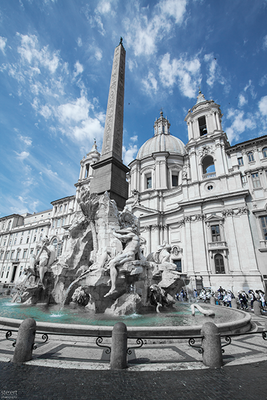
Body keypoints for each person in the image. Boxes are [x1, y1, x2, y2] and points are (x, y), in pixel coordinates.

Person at [104, 227, 140, 297]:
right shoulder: (132, 241)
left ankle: (113, 287)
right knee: (114, 264)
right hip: (129, 255)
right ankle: (113, 282)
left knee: (112, 263)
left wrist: (114, 232)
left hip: (128, 255)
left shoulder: (133, 235)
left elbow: (121, 236)